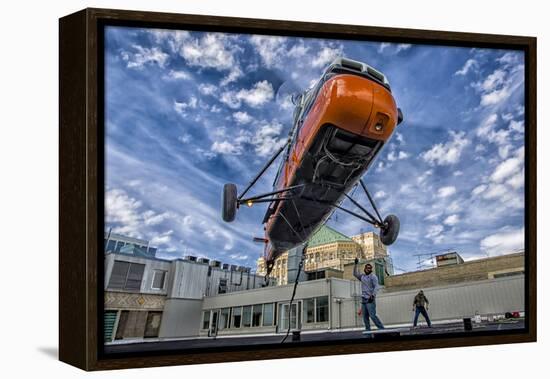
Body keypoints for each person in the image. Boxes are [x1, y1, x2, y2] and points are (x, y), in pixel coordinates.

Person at [353, 258, 385, 333]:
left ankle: (382, 329)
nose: (368, 269)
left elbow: (377, 286)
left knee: (372, 316)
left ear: (371, 269)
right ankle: (368, 331)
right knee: (365, 317)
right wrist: (356, 264)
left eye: (369, 268)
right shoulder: (362, 277)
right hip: (364, 299)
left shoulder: (373, 276)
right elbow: (355, 274)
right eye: (366, 268)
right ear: (365, 269)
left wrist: (373, 295)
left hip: (370, 299)